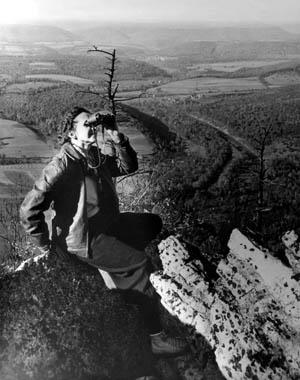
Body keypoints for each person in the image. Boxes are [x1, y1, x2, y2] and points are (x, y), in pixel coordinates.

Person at [19, 106, 187, 367]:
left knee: (153, 223)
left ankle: (115, 270)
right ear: (72, 134)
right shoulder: (63, 163)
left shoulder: (93, 156)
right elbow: (29, 209)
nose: (92, 127)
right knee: (140, 263)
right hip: (84, 239)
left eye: (93, 123)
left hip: (108, 225)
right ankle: (156, 338)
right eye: (86, 124)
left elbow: (127, 165)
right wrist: (46, 247)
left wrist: (117, 138)